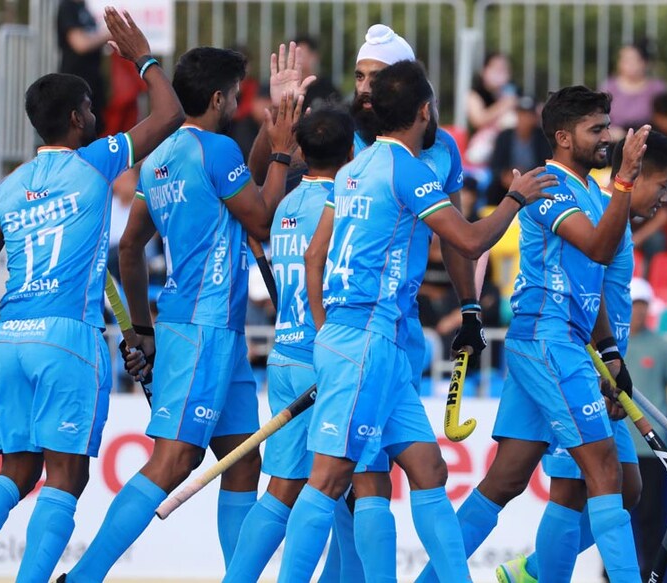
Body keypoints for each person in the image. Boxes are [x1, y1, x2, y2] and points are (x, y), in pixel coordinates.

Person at [0, 9, 183, 583]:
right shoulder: (95, 161)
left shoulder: (7, 187)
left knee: (15, 471)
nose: (95, 114)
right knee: (66, 479)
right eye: (90, 107)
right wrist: (142, 56)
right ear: (74, 117)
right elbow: (170, 114)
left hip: (10, 338)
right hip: (68, 339)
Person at [276, 60, 554, 583]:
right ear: (425, 112)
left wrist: (322, 333)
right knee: (329, 478)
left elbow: (316, 254)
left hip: (362, 340)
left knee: (430, 470)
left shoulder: (353, 167)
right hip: (365, 341)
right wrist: (516, 198)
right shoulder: (408, 168)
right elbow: (468, 241)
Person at [251, 29, 487, 581]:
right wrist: (280, 113)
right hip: (347, 330)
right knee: (339, 482)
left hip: (391, 337)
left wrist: (471, 306)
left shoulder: (439, 150)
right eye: (358, 77)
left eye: (375, 79)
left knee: (403, 473)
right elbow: (269, 193)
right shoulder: (352, 143)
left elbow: (451, 237)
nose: (363, 89)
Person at [61, 48, 301, 581]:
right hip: (205, 329)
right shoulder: (215, 151)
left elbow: (129, 248)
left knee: (242, 461)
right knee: (173, 463)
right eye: (236, 95)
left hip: (201, 329)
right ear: (218, 99)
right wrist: (283, 153)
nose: (239, 103)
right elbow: (261, 218)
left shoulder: (163, 156)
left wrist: (140, 328)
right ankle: (82, 577)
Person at [416, 86, 649, 583]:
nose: (606, 137)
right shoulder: (547, 185)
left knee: (506, 479)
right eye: (596, 129)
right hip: (549, 342)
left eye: (607, 126)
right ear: (563, 137)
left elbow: (593, 282)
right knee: (605, 471)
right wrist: (626, 180)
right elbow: (600, 250)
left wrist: (608, 352)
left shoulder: (588, 188)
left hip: (551, 342)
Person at [495, 128, 667, 583]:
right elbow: (584, 295)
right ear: (635, 175)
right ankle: (537, 574)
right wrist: (601, 358)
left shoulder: (614, 220)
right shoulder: (601, 216)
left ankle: (533, 570)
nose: (664, 198)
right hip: (567, 362)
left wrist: (612, 360)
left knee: (629, 488)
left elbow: (598, 297)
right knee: (569, 488)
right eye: (661, 186)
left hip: (595, 365)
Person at [225, 107, 356, 582]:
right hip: (326, 359)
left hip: (284, 353)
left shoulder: (283, 207)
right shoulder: (344, 205)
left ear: (301, 150)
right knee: (335, 489)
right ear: (351, 153)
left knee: (294, 488)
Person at [621, 277, 667, 576]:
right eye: (633, 305)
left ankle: (651, 573)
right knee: (616, 515)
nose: (637, 311)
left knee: (650, 515)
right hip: (617, 444)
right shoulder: (613, 343)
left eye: (641, 305)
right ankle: (613, 573)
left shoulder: (660, 345)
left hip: (652, 447)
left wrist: (661, 417)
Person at [57, 0, 111, 134]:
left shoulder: (83, 8)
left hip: (93, 84)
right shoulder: (67, 8)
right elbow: (80, 44)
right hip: (75, 84)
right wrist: (107, 35)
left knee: (95, 130)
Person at [487, 96, 552, 205]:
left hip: (533, 179)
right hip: (507, 181)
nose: (524, 118)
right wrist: (504, 175)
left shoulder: (543, 138)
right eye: (521, 114)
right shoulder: (504, 136)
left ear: (535, 118)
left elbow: (547, 163)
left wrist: (526, 176)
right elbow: (495, 165)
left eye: (528, 115)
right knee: (493, 188)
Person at [602, 41, 667, 141]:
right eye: (624, 60)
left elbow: (664, 122)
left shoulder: (656, 88)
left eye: (632, 59)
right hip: (612, 143)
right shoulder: (609, 87)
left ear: (644, 62)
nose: (628, 64)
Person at [293, 35, 342, 108]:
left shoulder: (327, 89)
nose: (297, 60)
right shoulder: (284, 88)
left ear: (315, 56)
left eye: (302, 55)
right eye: (294, 55)